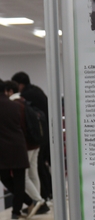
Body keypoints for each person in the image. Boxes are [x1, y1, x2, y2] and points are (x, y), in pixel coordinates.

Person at [11, 71, 52, 211]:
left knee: (27, 174)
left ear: (20, 84)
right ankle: (44, 199)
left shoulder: (21, 99)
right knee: (37, 170)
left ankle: (39, 201)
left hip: (30, 141)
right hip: (41, 137)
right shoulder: (37, 91)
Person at [4, 80, 44, 217]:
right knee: (33, 173)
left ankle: (38, 200)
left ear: (10, 91)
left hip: (25, 146)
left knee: (24, 177)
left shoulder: (14, 104)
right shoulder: (24, 102)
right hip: (35, 143)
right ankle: (38, 203)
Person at [0, 79, 29, 220]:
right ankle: (17, 211)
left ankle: (26, 203)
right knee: (19, 180)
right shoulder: (16, 105)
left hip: (2, 149)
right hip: (18, 146)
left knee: (5, 178)